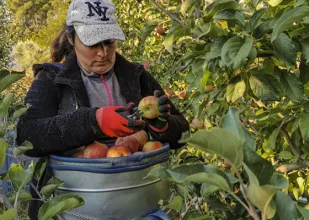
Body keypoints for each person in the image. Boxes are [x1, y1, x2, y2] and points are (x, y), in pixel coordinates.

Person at [16, 0, 189, 219]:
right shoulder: (52, 80)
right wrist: (93, 121)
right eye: (92, 43)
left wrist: (162, 126)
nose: (103, 53)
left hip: (136, 203)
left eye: (109, 42)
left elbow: (183, 134)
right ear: (72, 39)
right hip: (73, 209)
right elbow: (26, 134)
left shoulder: (137, 77)